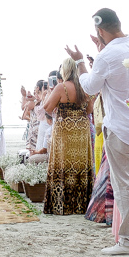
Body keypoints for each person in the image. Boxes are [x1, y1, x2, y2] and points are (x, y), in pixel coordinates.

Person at [70, 8, 129, 253]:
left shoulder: (107, 55)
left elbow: (89, 87)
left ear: (99, 31)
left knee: (125, 185)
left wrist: (79, 62)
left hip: (121, 127)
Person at [42, 58, 94, 215]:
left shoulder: (61, 87)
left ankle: (62, 205)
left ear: (65, 71)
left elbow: (47, 108)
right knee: (80, 164)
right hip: (82, 128)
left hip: (64, 129)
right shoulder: (85, 86)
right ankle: (81, 205)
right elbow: (89, 110)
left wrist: (51, 93)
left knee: (62, 163)